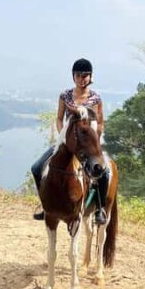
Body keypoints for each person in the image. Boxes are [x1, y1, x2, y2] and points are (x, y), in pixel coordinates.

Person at [31, 58, 109, 225]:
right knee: (37, 167)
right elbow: (59, 119)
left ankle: (100, 208)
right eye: (78, 75)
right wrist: (63, 137)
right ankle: (46, 206)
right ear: (73, 76)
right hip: (66, 142)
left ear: (90, 77)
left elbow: (100, 123)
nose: (81, 79)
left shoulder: (96, 98)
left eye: (85, 75)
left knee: (105, 171)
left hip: (88, 145)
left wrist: (95, 141)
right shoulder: (65, 96)